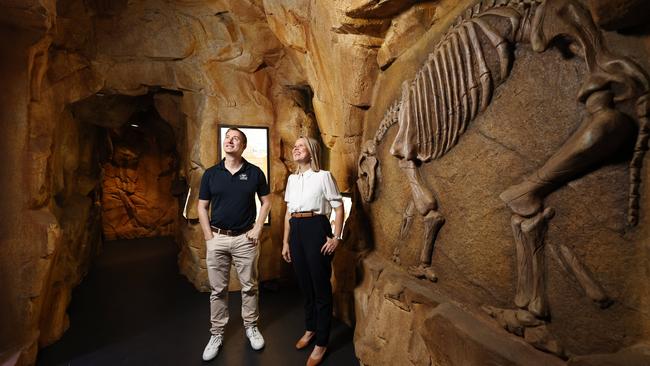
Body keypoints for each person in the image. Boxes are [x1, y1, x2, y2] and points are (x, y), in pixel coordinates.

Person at [197, 127, 272, 361]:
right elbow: (202, 206)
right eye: (227, 138)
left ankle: (251, 327)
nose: (230, 141)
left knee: (249, 286)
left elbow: (267, 202)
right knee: (218, 290)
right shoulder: (210, 174)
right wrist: (209, 236)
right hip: (217, 238)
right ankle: (216, 333)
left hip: (245, 238)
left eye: (235, 138)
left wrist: (259, 227)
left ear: (243, 146)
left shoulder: (255, 173)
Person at [282, 136, 344, 366]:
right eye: (295, 146)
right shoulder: (291, 179)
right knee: (305, 286)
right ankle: (310, 328)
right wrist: (285, 242)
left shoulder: (323, 176)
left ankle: (322, 342)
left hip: (316, 227)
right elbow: (288, 214)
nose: (296, 148)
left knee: (320, 287)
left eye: (301, 145)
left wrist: (336, 238)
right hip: (296, 229)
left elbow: (338, 209)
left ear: (312, 151)